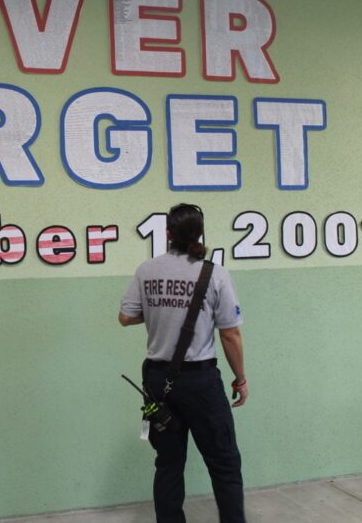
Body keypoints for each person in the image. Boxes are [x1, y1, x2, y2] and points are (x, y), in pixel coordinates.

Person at [119, 203, 248, 523]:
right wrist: (240, 378)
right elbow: (229, 334)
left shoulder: (146, 270)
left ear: (167, 234)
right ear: (199, 234)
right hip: (200, 382)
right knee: (224, 464)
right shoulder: (214, 274)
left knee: (168, 463)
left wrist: (160, 312)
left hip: (156, 380)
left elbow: (125, 317)